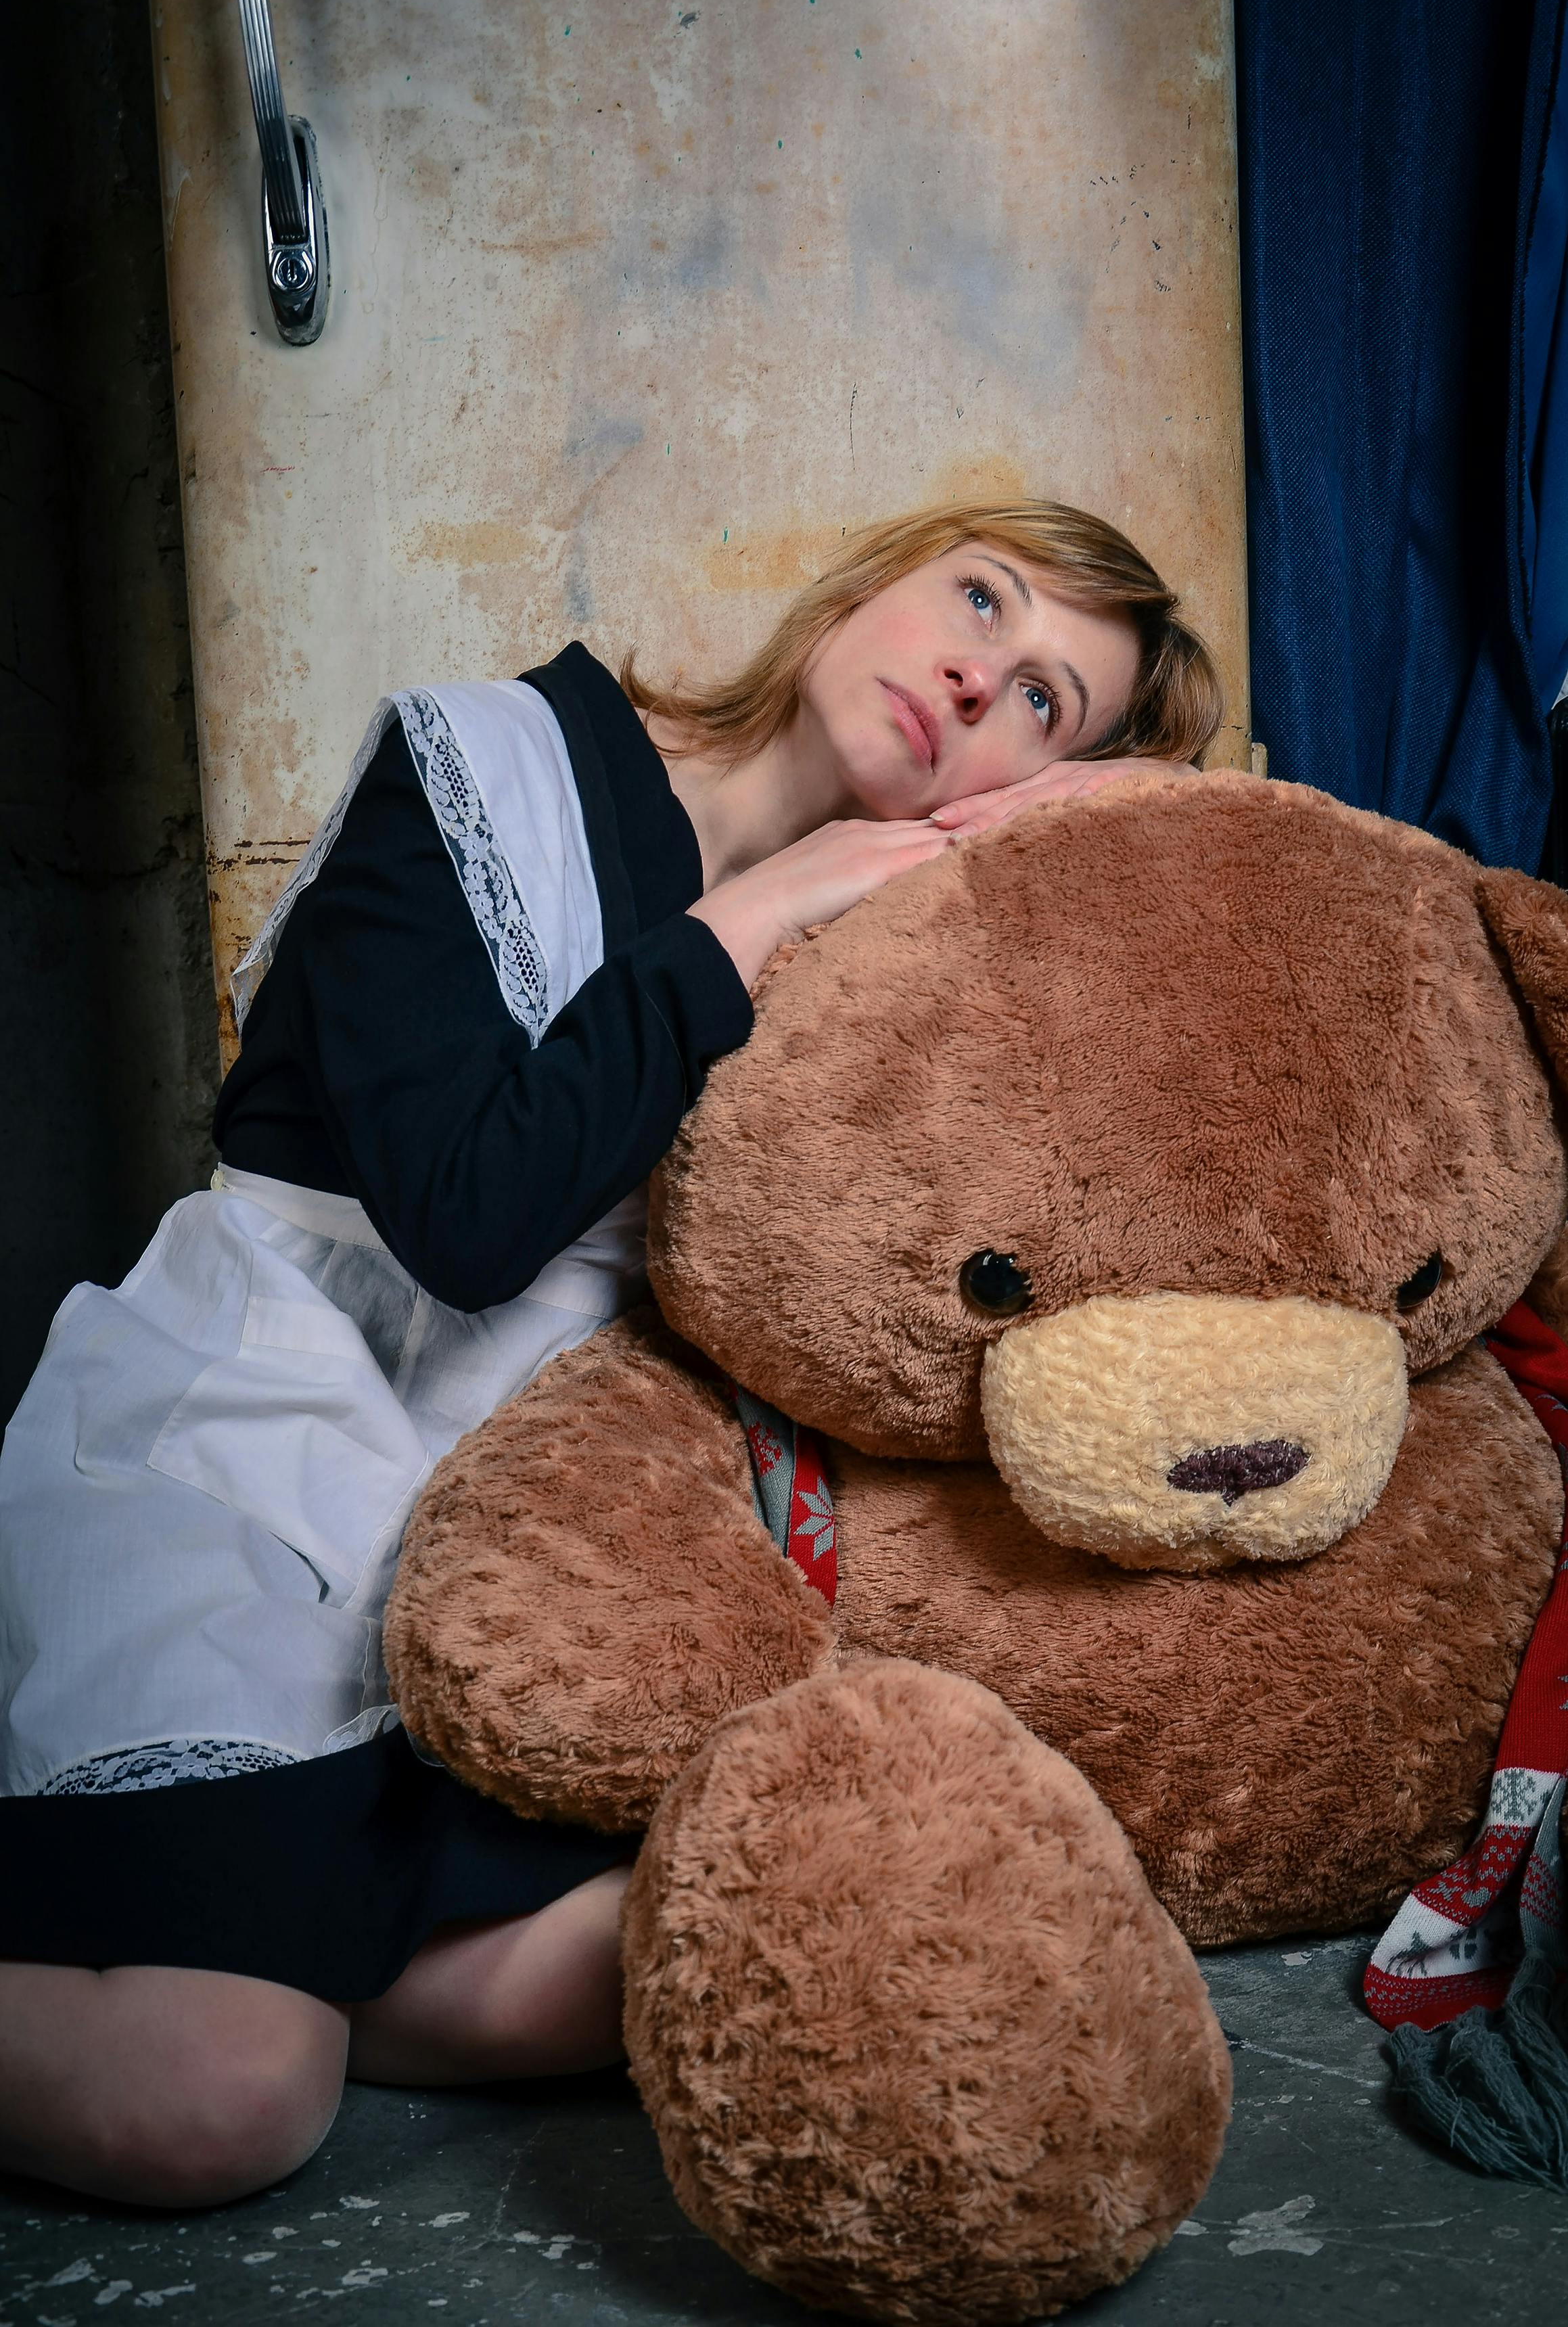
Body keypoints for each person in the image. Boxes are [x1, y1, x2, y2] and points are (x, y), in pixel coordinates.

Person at [0, 498, 1220, 2207]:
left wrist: (1081, 835)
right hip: (251, 1438)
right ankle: (268, 1976)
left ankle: (306, 1953)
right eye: (979, 597)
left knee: (730, 1935)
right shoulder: (487, 761)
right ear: (874, 581)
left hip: (516, 1536)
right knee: (229, 2094)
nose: (975, 671)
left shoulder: (879, 957)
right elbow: (466, 1218)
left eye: (1040, 702)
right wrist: (756, 910)